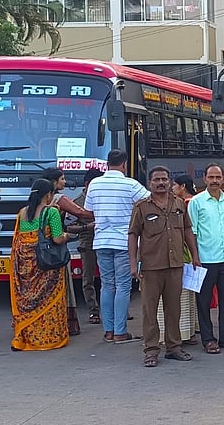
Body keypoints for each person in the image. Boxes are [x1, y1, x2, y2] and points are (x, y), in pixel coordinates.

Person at [128, 166, 201, 367]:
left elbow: (187, 230)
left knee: (173, 308)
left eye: (164, 179)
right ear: (149, 184)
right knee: (150, 311)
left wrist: (195, 255)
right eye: (156, 180)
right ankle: (151, 350)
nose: (161, 183)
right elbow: (133, 234)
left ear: (170, 182)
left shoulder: (179, 204)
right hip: (151, 267)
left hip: (175, 265)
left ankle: (174, 347)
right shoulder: (142, 207)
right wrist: (133, 263)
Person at [85, 149, 149, 344]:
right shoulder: (130, 184)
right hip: (123, 242)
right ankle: (121, 331)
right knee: (123, 286)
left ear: (107, 164)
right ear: (124, 165)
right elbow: (149, 202)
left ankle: (109, 331)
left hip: (101, 241)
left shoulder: (95, 184)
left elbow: (88, 210)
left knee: (107, 285)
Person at [10, 178, 71, 350]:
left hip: (25, 267)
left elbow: (19, 242)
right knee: (50, 299)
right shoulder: (51, 212)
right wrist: (67, 236)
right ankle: (49, 338)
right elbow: (58, 239)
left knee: (28, 300)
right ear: (48, 194)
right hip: (47, 266)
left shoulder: (21, 213)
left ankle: (26, 337)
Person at [189, 163, 224, 353]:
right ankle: (208, 339)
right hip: (204, 260)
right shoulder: (196, 202)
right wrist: (194, 256)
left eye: (217, 178)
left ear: (223, 179)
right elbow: (192, 232)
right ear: (204, 179)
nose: (214, 181)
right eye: (211, 177)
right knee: (203, 302)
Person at [43, 167, 93, 337]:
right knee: (59, 288)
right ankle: (60, 324)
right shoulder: (57, 200)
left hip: (40, 251)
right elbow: (80, 213)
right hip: (56, 251)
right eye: (62, 179)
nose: (65, 182)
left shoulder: (32, 203)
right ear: (54, 182)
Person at [156, 174, 200, 346]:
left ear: (182, 186)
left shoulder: (185, 204)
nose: (172, 188)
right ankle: (184, 333)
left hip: (181, 256)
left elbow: (189, 232)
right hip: (177, 256)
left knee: (180, 297)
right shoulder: (144, 207)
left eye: (174, 185)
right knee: (183, 296)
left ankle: (181, 334)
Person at [68, 168, 103, 326]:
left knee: (110, 279)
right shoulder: (76, 203)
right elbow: (68, 227)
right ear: (87, 184)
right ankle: (93, 311)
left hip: (105, 241)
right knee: (88, 280)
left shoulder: (104, 198)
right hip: (87, 243)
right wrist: (87, 227)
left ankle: (117, 310)